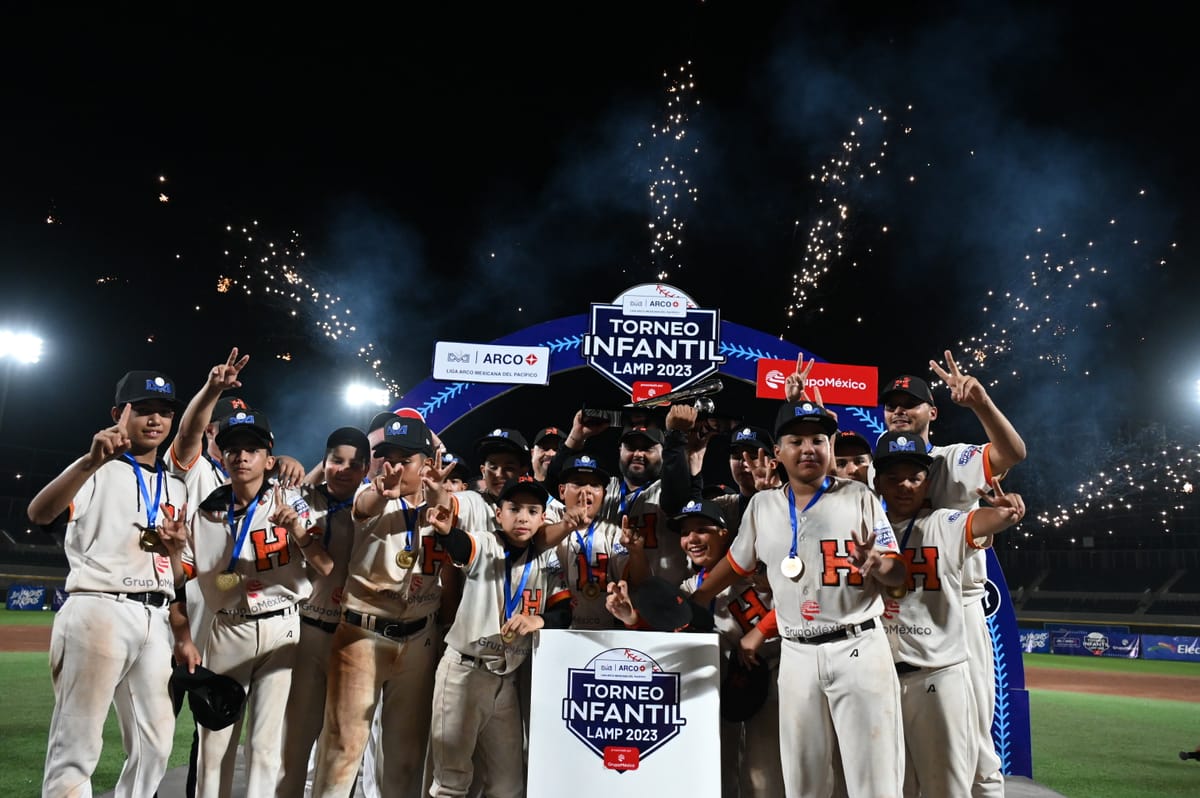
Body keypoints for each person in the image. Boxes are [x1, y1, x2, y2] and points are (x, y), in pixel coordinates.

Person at [690, 399, 908, 798]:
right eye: (796, 440)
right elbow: (738, 564)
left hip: (857, 644)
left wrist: (881, 565)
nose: (808, 448)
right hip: (796, 654)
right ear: (778, 452)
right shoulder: (763, 505)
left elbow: (899, 577)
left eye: (818, 439)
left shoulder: (860, 496)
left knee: (874, 782)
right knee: (802, 782)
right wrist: (696, 595)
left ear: (829, 446)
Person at [29, 370, 190, 798]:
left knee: (157, 744)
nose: (155, 420)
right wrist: (87, 462)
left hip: (154, 616)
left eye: (164, 413)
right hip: (98, 608)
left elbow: (175, 576)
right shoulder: (94, 469)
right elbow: (40, 514)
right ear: (119, 414)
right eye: (144, 411)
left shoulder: (174, 486)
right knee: (77, 744)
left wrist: (175, 551)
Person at [881, 350, 1027, 798]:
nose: (900, 409)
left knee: (976, 743)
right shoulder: (877, 465)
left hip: (956, 606)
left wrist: (981, 402)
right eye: (892, 403)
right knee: (898, 753)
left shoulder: (951, 460)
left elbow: (1012, 453)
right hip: (898, 608)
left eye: (911, 402)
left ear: (933, 411)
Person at [180, 410, 333, 798]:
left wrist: (298, 531)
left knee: (266, 746)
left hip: (282, 624)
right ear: (222, 455)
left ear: (270, 458)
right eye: (233, 449)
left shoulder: (293, 500)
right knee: (215, 742)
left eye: (252, 449)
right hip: (229, 626)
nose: (242, 457)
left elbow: (326, 566)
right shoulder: (206, 506)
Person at [311, 415, 451, 798]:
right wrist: (383, 491)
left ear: (426, 463)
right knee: (343, 750)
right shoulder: (369, 495)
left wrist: (436, 488)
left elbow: (445, 513)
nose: (395, 466)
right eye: (387, 456)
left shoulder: (443, 503)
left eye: (406, 459)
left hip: (420, 637)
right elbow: (364, 507)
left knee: (406, 759)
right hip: (362, 634)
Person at [427, 476, 572, 798]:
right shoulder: (487, 543)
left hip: (505, 680)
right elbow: (462, 546)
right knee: (451, 782)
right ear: (498, 513)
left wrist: (539, 619)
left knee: (508, 786)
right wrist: (447, 531)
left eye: (532, 510)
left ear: (542, 518)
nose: (522, 517)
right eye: (514, 508)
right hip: (463, 672)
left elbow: (565, 614)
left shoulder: (548, 560)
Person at [276, 427, 371, 797]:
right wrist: (282, 461)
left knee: (342, 750)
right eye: (336, 461)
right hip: (307, 629)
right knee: (295, 746)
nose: (343, 470)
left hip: (353, 637)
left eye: (354, 464)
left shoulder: (370, 507)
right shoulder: (301, 501)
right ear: (325, 461)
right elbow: (273, 481)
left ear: (366, 470)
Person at [673, 500, 783, 798]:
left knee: (764, 773)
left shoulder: (758, 572)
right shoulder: (687, 588)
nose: (691, 540)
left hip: (775, 675)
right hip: (722, 687)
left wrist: (761, 631)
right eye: (685, 532)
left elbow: (798, 603)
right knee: (719, 769)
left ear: (725, 534)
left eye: (701, 530)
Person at [545, 406, 692, 585]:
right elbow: (554, 484)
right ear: (620, 450)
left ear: (662, 452)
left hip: (660, 601)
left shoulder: (668, 488)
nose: (638, 454)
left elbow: (676, 500)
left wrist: (676, 438)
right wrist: (577, 436)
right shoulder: (604, 488)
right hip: (609, 600)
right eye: (631, 447)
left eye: (647, 448)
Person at [552, 454, 627, 629]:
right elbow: (542, 540)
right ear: (562, 491)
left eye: (594, 485)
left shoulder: (612, 531)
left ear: (604, 494)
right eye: (578, 483)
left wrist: (636, 551)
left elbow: (632, 578)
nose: (586, 491)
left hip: (605, 631)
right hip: (558, 632)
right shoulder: (551, 518)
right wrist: (565, 526)